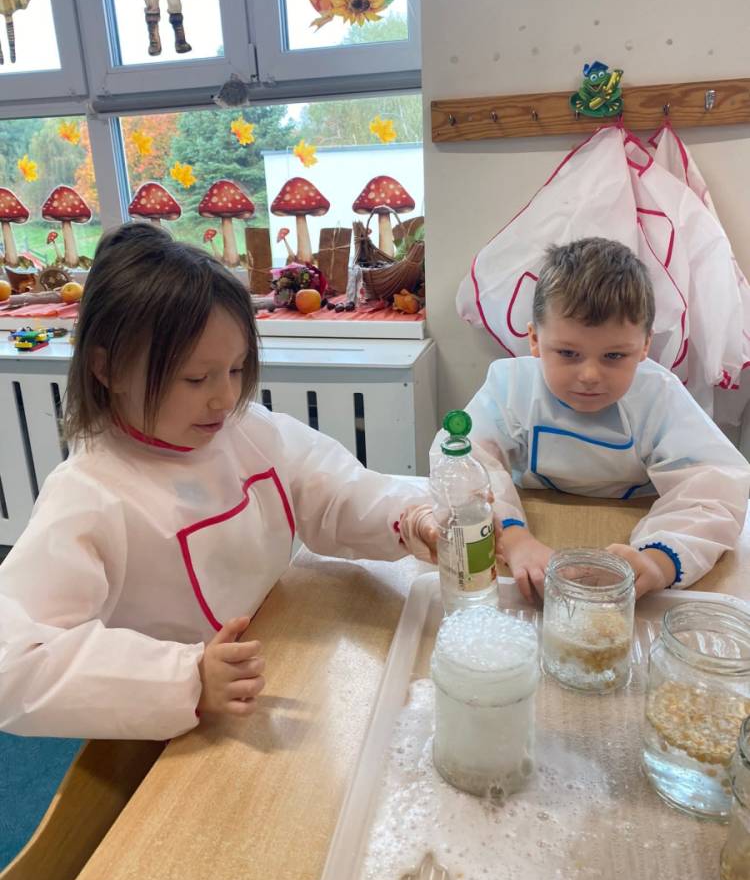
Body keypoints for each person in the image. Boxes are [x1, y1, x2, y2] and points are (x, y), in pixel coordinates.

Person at [0, 223, 432, 741]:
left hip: (269, 676)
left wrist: (409, 517)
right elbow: (16, 663)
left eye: (235, 370)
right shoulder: (89, 492)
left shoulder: (246, 432)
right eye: (195, 379)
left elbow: (335, 490)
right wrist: (186, 679)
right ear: (107, 369)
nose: (225, 399)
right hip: (168, 729)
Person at [402, 238, 750, 602]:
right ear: (534, 339)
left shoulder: (660, 397)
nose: (589, 375)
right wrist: (512, 537)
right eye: (568, 353)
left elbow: (715, 487)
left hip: (629, 527)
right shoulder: (511, 387)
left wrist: (657, 560)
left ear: (645, 346)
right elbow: (464, 460)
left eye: (614, 356)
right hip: (531, 521)